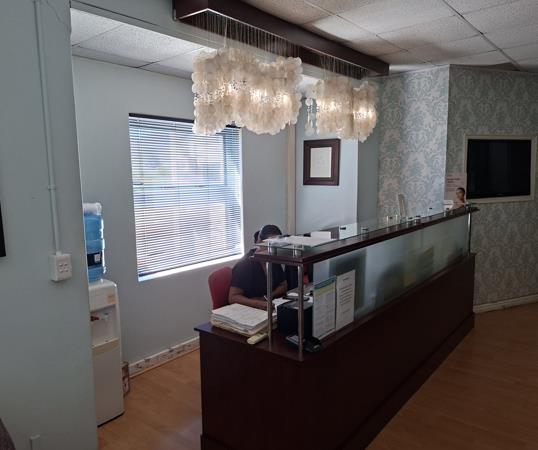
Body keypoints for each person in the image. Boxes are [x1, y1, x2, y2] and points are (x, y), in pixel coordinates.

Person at [229, 224, 287, 310]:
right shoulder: (244, 265)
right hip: (248, 309)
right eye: (270, 246)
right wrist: (258, 303)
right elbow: (233, 297)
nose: (273, 250)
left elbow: (283, 285)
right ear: (259, 242)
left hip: (268, 305)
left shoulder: (272, 258)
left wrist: (266, 297)